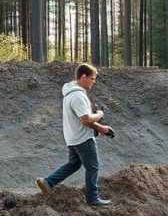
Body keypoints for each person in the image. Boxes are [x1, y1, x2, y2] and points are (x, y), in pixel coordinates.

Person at [36, 63, 114, 206]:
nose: (93, 82)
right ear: (83, 76)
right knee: (93, 167)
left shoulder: (70, 93)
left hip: (72, 137)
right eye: (92, 78)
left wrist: (102, 128)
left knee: (74, 163)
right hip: (83, 138)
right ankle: (92, 198)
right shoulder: (78, 95)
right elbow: (85, 120)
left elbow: (81, 119)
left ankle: (48, 181)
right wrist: (99, 114)